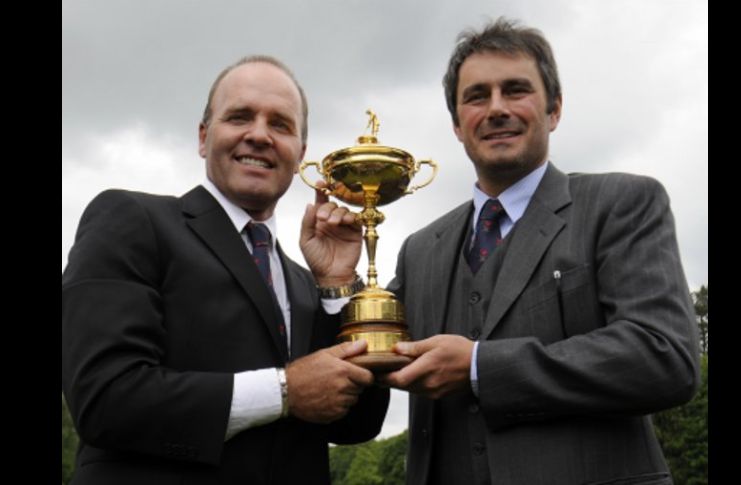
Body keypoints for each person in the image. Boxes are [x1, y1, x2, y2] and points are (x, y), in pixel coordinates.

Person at [381, 18, 700, 485]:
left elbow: (664, 357)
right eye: (477, 96)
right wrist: (338, 279)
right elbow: (372, 356)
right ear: (457, 124)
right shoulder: (418, 250)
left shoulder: (621, 203)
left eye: (516, 90)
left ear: (554, 110)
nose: (496, 109)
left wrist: (480, 366)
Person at [62, 55, 389, 485]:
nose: (259, 135)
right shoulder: (131, 219)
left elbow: (358, 425)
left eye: (280, 125)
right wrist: (285, 391)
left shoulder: (304, 282)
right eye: (239, 117)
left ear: (300, 155)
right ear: (204, 137)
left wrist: (336, 286)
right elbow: (104, 398)